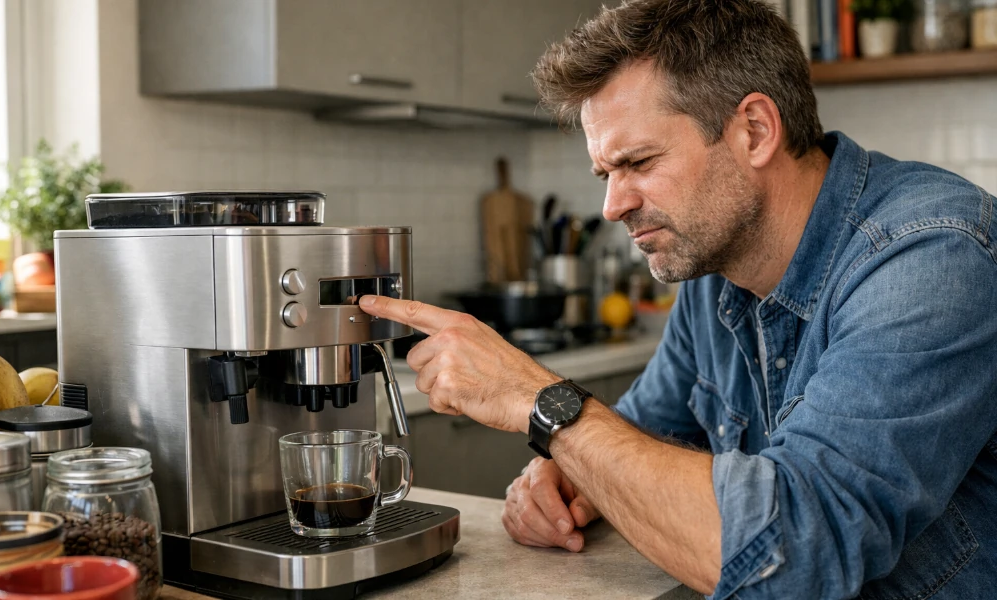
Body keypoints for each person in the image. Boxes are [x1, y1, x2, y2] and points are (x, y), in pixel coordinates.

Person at [358, 0, 997, 597]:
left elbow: (797, 550)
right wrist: (568, 476)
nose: (612, 206)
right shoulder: (716, 269)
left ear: (753, 129)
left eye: (638, 161)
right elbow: (633, 437)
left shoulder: (932, 258)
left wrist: (541, 404)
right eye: (605, 174)